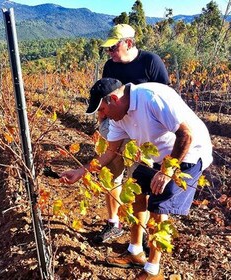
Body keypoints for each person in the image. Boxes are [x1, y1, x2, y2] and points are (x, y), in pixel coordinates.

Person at [60, 78, 213, 279]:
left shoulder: (151, 98)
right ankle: (135, 252)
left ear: (114, 99)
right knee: (136, 194)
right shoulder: (118, 118)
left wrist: (166, 172)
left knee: (158, 208)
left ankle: (153, 270)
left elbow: (186, 135)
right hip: (154, 156)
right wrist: (81, 171)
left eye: (102, 110)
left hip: (188, 153)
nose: (101, 116)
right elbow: (109, 153)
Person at [93, 23, 169, 244]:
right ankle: (113, 223)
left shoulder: (150, 62)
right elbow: (104, 99)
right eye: (108, 49)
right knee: (109, 173)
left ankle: (142, 232)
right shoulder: (110, 66)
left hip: (142, 132)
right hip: (115, 126)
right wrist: (102, 125)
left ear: (128, 43)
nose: (110, 53)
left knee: (139, 181)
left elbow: (164, 96)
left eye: (113, 48)